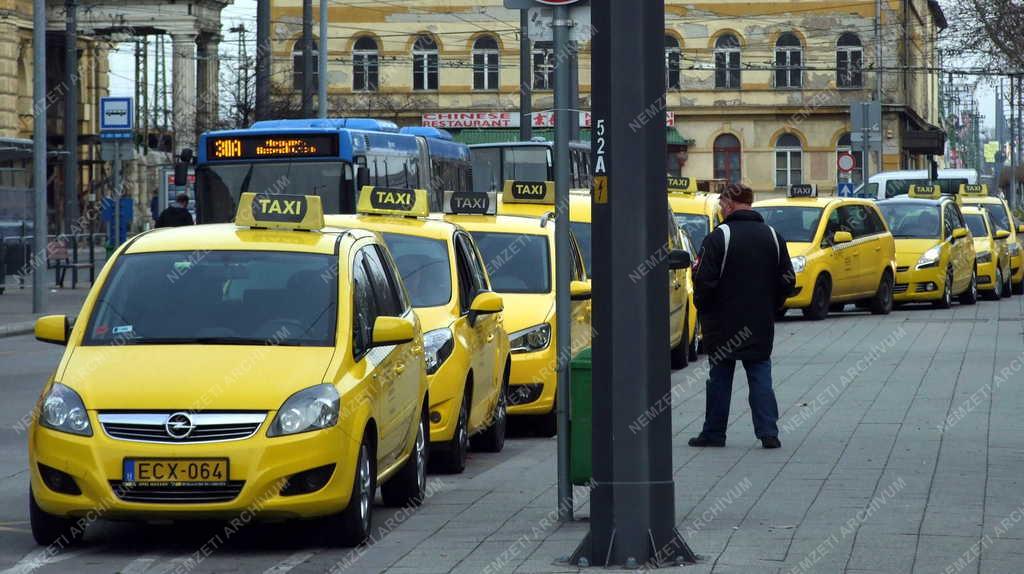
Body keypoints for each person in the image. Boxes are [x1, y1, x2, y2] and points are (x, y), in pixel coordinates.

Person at [689, 183, 795, 449]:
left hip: (722, 325)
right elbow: (788, 280)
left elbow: (703, 281)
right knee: (760, 376)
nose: (722, 208)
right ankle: (768, 433)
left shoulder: (718, 237)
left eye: (723, 203)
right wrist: (772, 305)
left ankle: (714, 433)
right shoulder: (772, 236)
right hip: (759, 322)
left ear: (729, 204)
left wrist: (706, 311)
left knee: (720, 379)